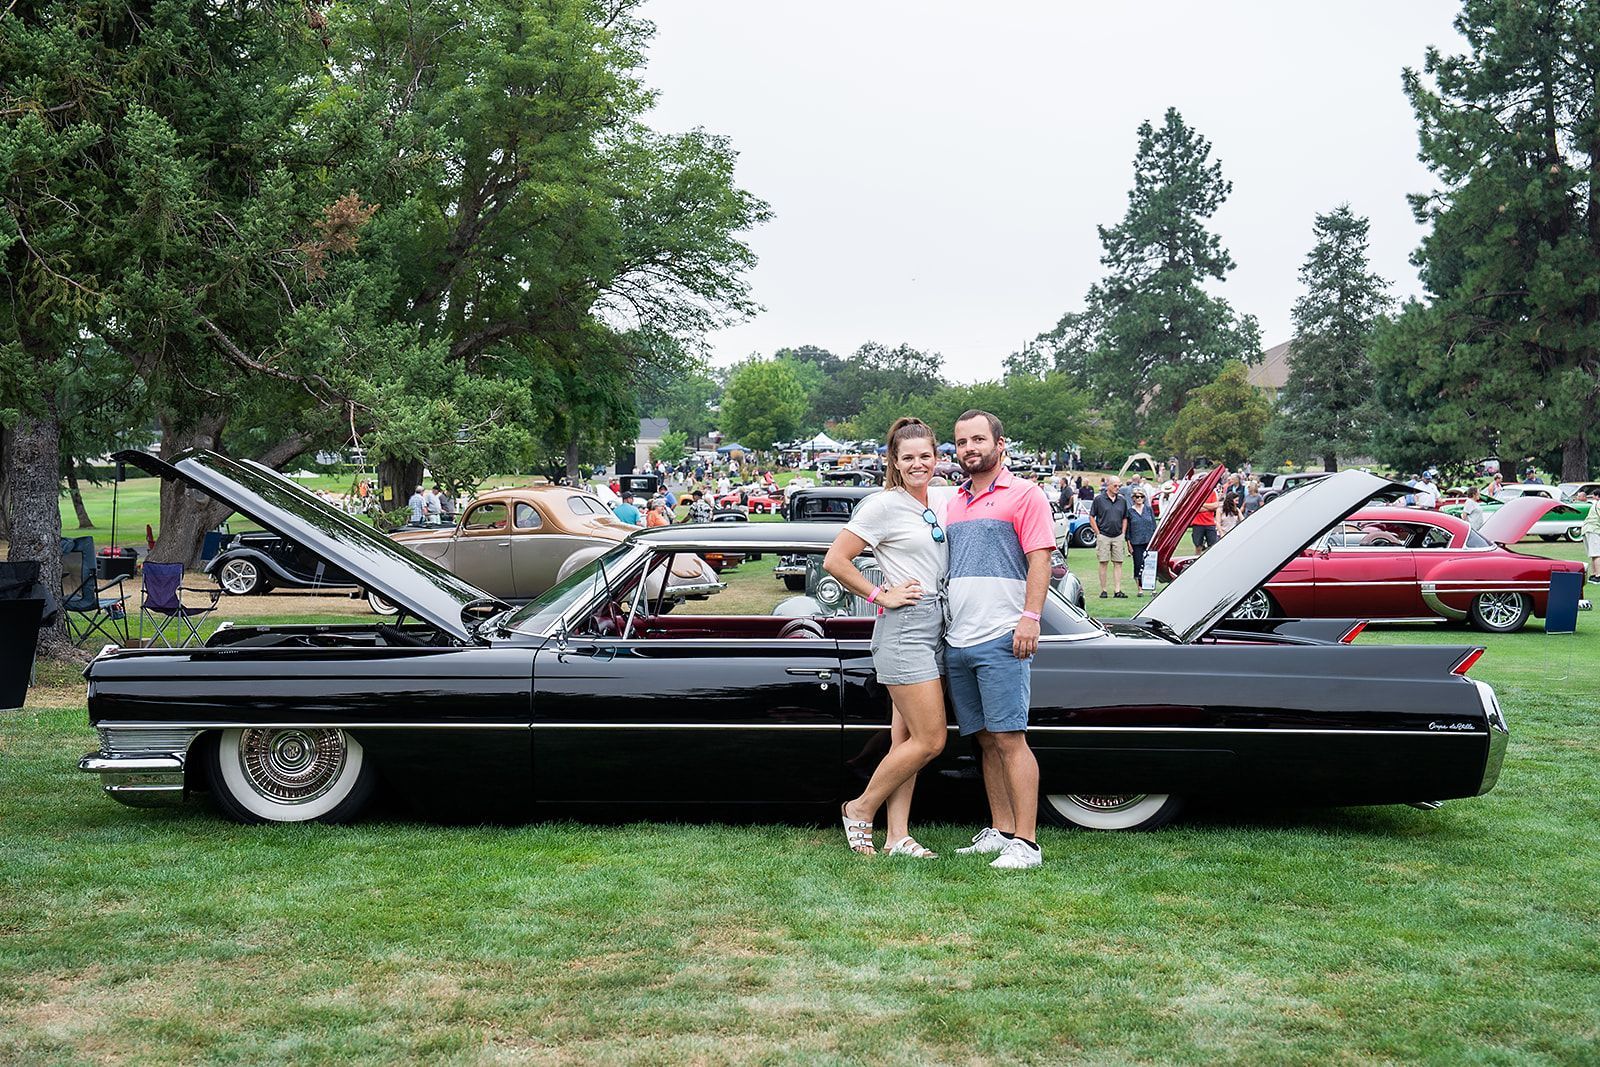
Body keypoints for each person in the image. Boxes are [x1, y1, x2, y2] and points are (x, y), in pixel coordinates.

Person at [825, 417, 950, 858]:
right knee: (931, 739)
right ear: (894, 462)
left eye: (925, 456)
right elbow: (836, 561)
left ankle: (898, 836)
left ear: (937, 457)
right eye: (908, 457)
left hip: (937, 627)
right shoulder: (882, 505)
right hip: (905, 630)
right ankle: (860, 809)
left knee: (907, 741)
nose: (919, 464)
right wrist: (881, 594)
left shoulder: (934, 502)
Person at [944, 410, 1054, 870]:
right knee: (985, 740)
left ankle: (1026, 843)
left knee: (1010, 738)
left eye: (977, 440)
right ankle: (1001, 829)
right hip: (958, 639)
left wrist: (1030, 618)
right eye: (961, 442)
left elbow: (1040, 560)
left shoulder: (1026, 494)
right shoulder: (953, 502)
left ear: (999, 444)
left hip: (1002, 636)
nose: (969, 448)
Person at [1090, 476, 1130, 599]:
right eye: (1115, 486)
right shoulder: (1099, 499)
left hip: (1118, 535)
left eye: (1119, 486)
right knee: (1103, 562)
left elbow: (1125, 517)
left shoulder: (1122, 500)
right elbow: (1092, 517)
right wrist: (1098, 533)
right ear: (1109, 485)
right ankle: (1104, 590)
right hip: (1104, 535)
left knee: (1118, 563)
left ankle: (1117, 590)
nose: (1118, 488)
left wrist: (1123, 532)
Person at [1127, 489, 1157, 597]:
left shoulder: (1148, 509)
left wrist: (1155, 540)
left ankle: (1152, 588)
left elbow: (1154, 525)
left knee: (1151, 565)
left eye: (1141, 497)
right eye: (1137, 497)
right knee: (1138, 565)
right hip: (1136, 541)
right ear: (1133, 498)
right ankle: (1140, 588)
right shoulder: (1130, 511)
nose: (1139, 499)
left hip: (1149, 541)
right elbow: (1128, 530)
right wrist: (1129, 544)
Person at [1188, 478, 1221, 553]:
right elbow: (1194, 508)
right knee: (1198, 546)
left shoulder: (1212, 492)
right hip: (1198, 524)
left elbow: (1216, 505)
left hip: (1210, 523)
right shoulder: (1195, 493)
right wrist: (1209, 508)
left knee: (1212, 546)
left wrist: (1202, 504)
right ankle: (1196, 560)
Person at [1582, 493, 1600, 583]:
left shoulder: (1596, 503)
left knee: (1594, 554)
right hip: (1593, 529)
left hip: (1588, 529)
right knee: (1597, 554)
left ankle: (1594, 575)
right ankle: (1598, 576)